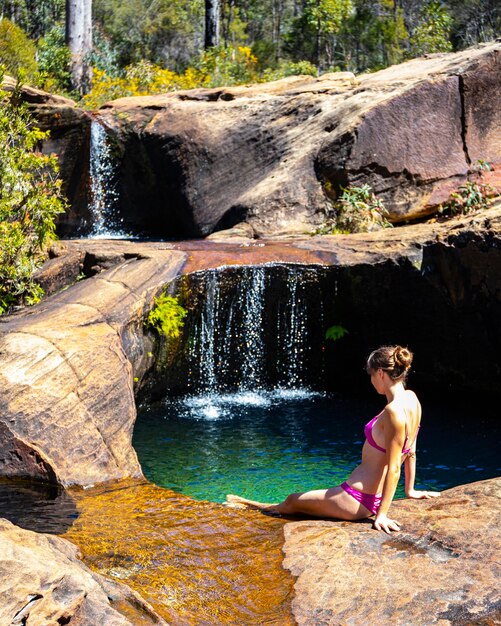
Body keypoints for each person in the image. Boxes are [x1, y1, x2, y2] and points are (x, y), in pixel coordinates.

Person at [226, 345, 440, 533]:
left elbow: (394, 468)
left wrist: (381, 514)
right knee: (297, 501)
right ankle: (259, 505)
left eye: (371, 375)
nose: (371, 380)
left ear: (381, 373)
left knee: (292, 500)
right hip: (366, 495)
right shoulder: (412, 399)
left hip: (357, 498)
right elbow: (411, 447)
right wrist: (409, 490)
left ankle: (253, 507)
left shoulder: (393, 411)